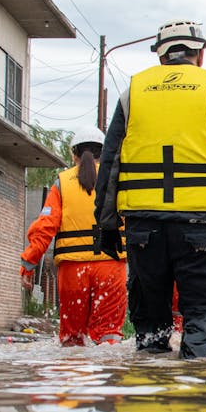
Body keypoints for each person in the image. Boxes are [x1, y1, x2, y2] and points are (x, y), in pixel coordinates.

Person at [94, 19, 206, 358]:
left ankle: (150, 380)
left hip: (143, 228)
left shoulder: (132, 95)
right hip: (200, 227)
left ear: (161, 56)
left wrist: (107, 223)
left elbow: (110, 162)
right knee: (202, 317)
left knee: (150, 327)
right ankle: (198, 382)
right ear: (201, 54)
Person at [20, 126, 127, 346]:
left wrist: (28, 264)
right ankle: (108, 367)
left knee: (72, 339)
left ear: (74, 154)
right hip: (110, 267)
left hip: (73, 271)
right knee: (109, 336)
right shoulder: (119, 179)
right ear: (104, 152)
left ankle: (74, 369)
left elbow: (45, 228)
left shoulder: (62, 182)